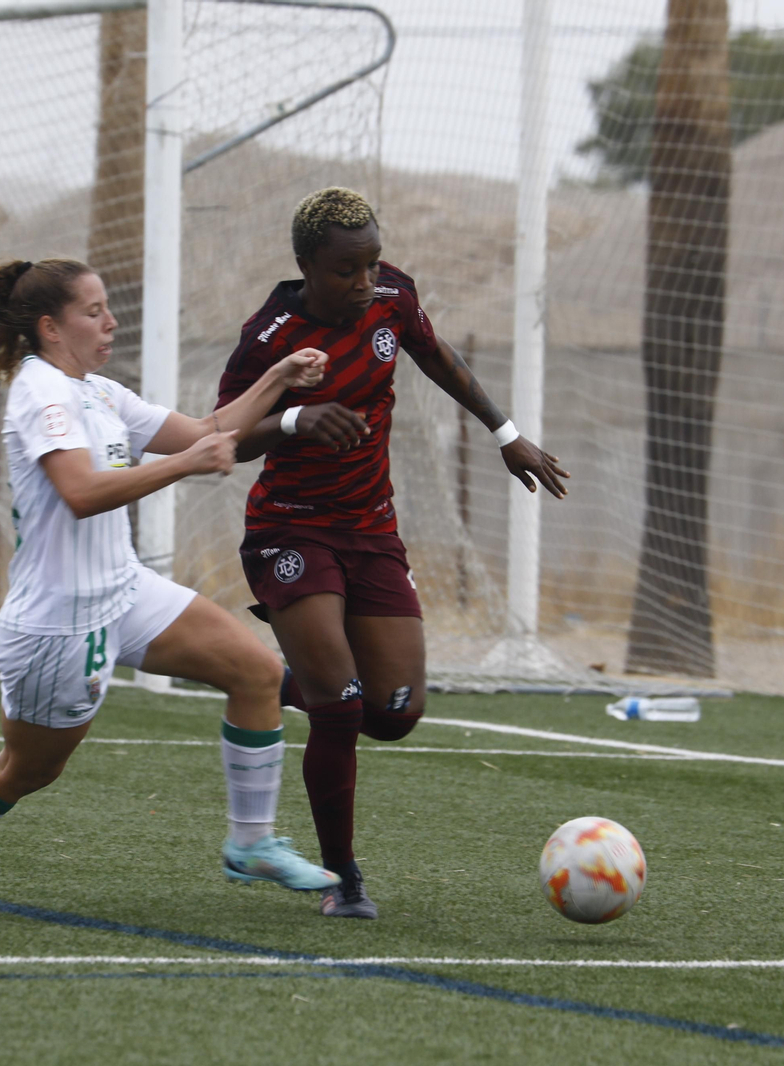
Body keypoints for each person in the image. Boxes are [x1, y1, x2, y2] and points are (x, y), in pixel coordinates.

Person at [0, 257, 339, 913]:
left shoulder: (97, 390)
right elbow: (82, 491)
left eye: (106, 308)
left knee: (257, 673)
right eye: (93, 311)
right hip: (59, 623)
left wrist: (279, 378)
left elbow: (207, 431)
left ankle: (251, 842)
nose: (110, 322)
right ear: (50, 328)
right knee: (27, 770)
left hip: (123, 591)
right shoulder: (41, 394)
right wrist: (184, 466)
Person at [216, 188, 570, 919]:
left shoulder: (392, 298)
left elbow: (435, 354)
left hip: (372, 529)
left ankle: (278, 681)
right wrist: (292, 417)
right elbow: (219, 440)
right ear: (309, 266)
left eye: (373, 264)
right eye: (348, 270)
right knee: (342, 708)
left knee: (395, 712)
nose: (365, 282)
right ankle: (343, 880)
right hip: (292, 530)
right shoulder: (269, 336)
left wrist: (506, 435)